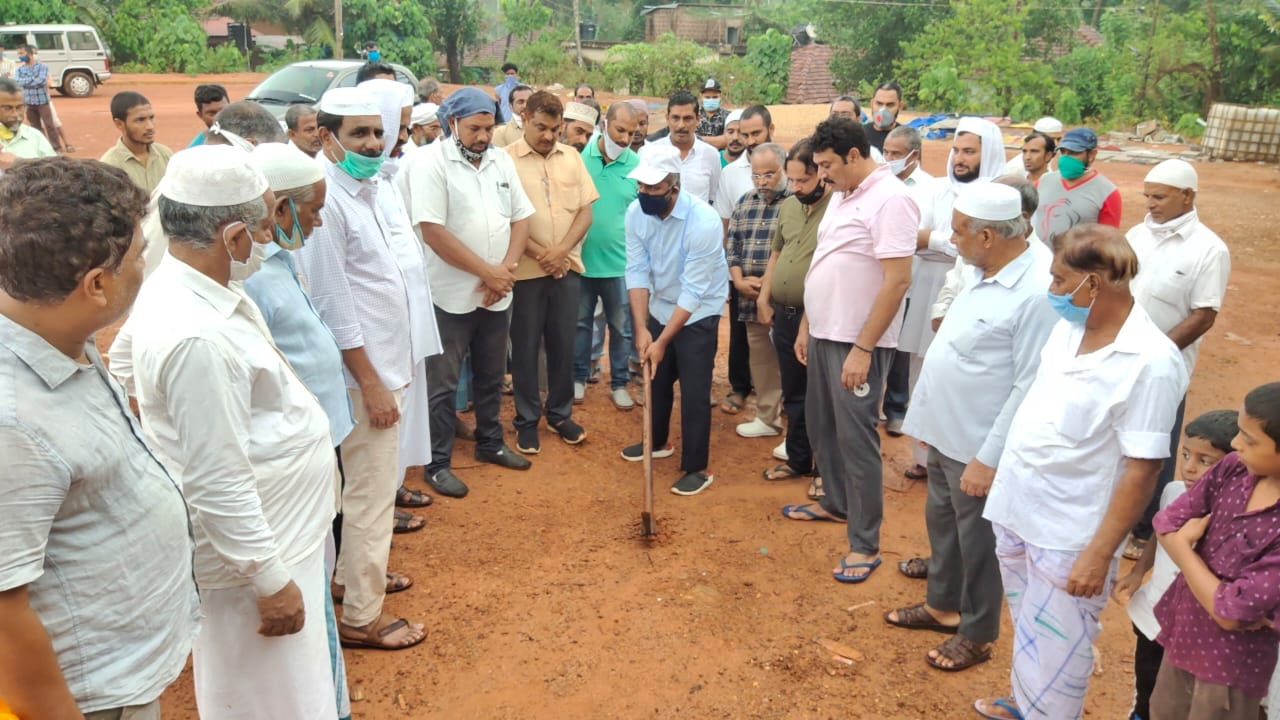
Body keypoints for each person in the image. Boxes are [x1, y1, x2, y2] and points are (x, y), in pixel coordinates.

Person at [116, 145, 344, 716]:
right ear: (234, 236)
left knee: (294, 690)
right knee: (269, 699)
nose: (270, 239)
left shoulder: (187, 288)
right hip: (254, 560)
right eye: (265, 225)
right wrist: (269, 581)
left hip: (278, 533)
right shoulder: (195, 335)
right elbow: (216, 478)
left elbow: (122, 365)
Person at [0, 156, 199, 720]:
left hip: (125, 667)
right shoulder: (12, 423)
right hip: (92, 698)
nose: (145, 267)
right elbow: (4, 615)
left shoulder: (57, 333)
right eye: (138, 257)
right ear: (95, 284)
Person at [975, 224, 1188, 720]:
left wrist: (1097, 554)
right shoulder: (1067, 330)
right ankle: (1029, 703)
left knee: (1061, 644)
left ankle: (1048, 712)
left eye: (1058, 280)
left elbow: (1143, 469)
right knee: (1031, 627)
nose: (1051, 291)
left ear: (1093, 284)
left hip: (1070, 534)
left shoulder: (1151, 362)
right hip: (1018, 509)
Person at [884, 182, 1059, 673]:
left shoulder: (1035, 292)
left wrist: (989, 457)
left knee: (980, 541)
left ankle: (978, 632)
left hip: (980, 442)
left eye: (959, 231)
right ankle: (942, 606)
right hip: (945, 429)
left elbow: (1027, 385)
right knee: (943, 524)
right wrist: (926, 420)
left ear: (987, 236)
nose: (951, 239)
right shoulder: (983, 268)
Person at [293, 87, 427, 651]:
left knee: (364, 493)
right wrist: (370, 381)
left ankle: (350, 582)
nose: (374, 143)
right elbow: (332, 302)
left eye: (378, 132)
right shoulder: (329, 201)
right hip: (360, 378)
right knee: (372, 498)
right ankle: (362, 620)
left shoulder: (368, 189)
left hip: (384, 366)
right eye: (358, 134)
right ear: (326, 137)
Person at [243, 142, 357, 719]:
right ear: (278, 209)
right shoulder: (251, 281)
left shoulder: (280, 261)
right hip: (286, 457)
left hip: (320, 438)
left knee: (327, 540)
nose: (315, 223)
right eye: (310, 211)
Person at [779, 117, 918, 587]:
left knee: (857, 441)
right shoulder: (843, 196)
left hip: (857, 341)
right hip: (823, 333)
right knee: (822, 425)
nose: (821, 176)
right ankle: (836, 503)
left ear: (855, 156)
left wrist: (863, 348)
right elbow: (826, 263)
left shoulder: (891, 199)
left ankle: (865, 542)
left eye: (826, 165)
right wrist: (806, 325)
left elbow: (898, 279)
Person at [400, 86, 536, 498]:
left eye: (488, 127)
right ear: (451, 124)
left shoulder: (499, 161)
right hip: (449, 294)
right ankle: (437, 462)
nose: (483, 136)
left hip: (497, 292)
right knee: (442, 382)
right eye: (474, 128)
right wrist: (488, 273)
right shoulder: (430, 164)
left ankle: (490, 443)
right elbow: (433, 231)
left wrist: (505, 273)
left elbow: (521, 218)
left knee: (493, 374)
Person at [1148, 383, 1280, 720]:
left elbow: (1229, 612)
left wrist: (1183, 550)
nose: (1235, 444)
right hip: (1184, 636)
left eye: (1250, 439)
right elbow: (1167, 521)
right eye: (1239, 431)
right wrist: (1219, 593)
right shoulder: (1233, 468)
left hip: (1231, 667)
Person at [1124, 159, 1231, 561]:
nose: (1150, 203)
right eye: (1147, 195)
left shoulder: (1209, 249)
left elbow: (1204, 314)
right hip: (1121, 355)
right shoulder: (1137, 235)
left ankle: (1142, 528)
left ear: (1187, 196)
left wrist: (1159, 353)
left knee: (1154, 445)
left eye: (1159, 196)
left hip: (1165, 365)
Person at [1111, 409, 1239, 720]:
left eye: (1205, 461)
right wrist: (1140, 571)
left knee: (1183, 700)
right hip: (1154, 619)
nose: (1190, 467)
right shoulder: (1173, 491)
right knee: (1147, 686)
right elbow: (1160, 530)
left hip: (1198, 632)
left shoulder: (1233, 518)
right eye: (1185, 455)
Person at [896, 118, 1003, 475]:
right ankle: (924, 459)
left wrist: (936, 241)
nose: (960, 158)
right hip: (927, 289)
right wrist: (951, 243)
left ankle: (965, 457)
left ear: (987, 155)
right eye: (957, 150)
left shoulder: (1001, 196)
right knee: (922, 373)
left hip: (978, 296)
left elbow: (993, 251)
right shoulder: (936, 190)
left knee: (966, 375)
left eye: (969, 152)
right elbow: (911, 237)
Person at [621, 152, 728, 495]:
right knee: (657, 377)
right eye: (640, 184)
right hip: (660, 302)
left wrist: (662, 340)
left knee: (695, 391)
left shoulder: (704, 221)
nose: (644, 192)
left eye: (652, 186)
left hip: (699, 310)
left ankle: (698, 466)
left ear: (674, 187)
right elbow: (636, 269)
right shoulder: (636, 212)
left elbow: (695, 290)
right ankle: (657, 442)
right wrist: (642, 327)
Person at [504, 91, 597, 452]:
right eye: (540, 127)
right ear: (525, 118)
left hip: (566, 269)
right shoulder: (505, 160)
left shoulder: (572, 157)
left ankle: (560, 414)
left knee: (563, 343)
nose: (547, 135)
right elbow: (507, 217)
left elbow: (586, 212)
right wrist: (543, 254)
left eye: (554, 129)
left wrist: (559, 253)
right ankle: (527, 420)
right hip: (526, 271)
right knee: (525, 348)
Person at [756, 137, 831, 493]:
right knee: (795, 393)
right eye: (793, 180)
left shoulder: (837, 209)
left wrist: (807, 320)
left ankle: (823, 471)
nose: (797, 187)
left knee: (822, 396)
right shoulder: (788, 206)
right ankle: (799, 460)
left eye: (803, 180)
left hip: (818, 319)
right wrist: (764, 296)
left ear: (821, 173)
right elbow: (776, 253)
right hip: (784, 316)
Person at [576, 100, 640, 410]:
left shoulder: (636, 165)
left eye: (631, 132)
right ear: (604, 124)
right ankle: (577, 378)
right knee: (580, 324)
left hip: (621, 264)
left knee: (622, 327)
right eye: (620, 130)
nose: (625, 139)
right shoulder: (577, 159)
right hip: (581, 262)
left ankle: (618, 384)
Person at [715, 105, 776, 417]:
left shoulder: (787, 169)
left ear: (770, 131)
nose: (750, 140)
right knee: (740, 333)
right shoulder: (729, 173)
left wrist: (772, 278)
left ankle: (778, 398)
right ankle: (740, 387)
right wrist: (732, 273)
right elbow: (726, 227)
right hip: (739, 273)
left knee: (778, 338)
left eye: (756, 133)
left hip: (778, 277)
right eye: (744, 133)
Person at [726, 142, 790, 441]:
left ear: (785, 170)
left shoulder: (796, 203)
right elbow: (733, 245)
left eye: (769, 175)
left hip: (785, 299)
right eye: (756, 175)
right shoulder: (745, 201)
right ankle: (768, 418)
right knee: (761, 360)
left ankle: (798, 426)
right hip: (749, 298)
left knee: (792, 360)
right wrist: (738, 280)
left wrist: (769, 283)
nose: (762, 182)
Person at [879, 124, 933, 455]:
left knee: (901, 347)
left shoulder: (930, 189)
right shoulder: (878, 183)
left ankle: (896, 409)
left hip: (912, 277)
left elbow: (927, 233)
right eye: (886, 152)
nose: (888, 158)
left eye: (896, 154)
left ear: (914, 155)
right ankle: (871, 404)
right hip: (876, 277)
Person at [1031, 127, 1121, 245]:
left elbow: (1107, 241)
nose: (1066, 158)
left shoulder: (1107, 192)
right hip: (1041, 261)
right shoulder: (1044, 181)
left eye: (1074, 153)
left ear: (1092, 154)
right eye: (1063, 152)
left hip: (1077, 262)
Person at [640, 91, 720, 204]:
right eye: (675, 118)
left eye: (687, 119)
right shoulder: (649, 152)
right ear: (667, 119)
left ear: (698, 119)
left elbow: (712, 197)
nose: (681, 125)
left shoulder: (711, 155)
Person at [99, 91, 172, 194]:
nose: (150, 126)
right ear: (119, 124)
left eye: (151, 118)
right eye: (140, 120)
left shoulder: (166, 155)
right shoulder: (109, 166)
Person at [13, 46, 60, 153]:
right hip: (29, 103)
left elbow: (42, 81)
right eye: (19, 54)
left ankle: (56, 147)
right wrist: (33, 79)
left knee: (49, 125)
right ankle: (43, 147)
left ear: (29, 54)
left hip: (42, 101)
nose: (20, 56)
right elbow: (17, 82)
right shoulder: (20, 69)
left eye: (22, 53)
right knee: (35, 127)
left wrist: (26, 82)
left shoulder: (42, 66)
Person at [0, 78, 56, 165]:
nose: (15, 114)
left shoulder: (35, 136)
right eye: (7, 108)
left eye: (19, 107)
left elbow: (55, 172)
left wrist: (19, 165)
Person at [863, 80, 903, 151]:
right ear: (872, 103)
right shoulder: (860, 134)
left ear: (900, 106)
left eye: (890, 105)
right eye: (879, 103)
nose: (883, 110)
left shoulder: (907, 138)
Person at [491, 84, 533, 148]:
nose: (525, 106)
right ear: (511, 106)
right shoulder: (501, 133)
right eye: (520, 102)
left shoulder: (545, 129)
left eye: (529, 101)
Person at [695, 77, 729, 150]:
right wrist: (717, 140)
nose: (711, 100)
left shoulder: (728, 117)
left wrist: (697, 139)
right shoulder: (694, 115)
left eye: (714, 97)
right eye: (707, 97)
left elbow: (728, 140)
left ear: (720, 96)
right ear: (701, 96)